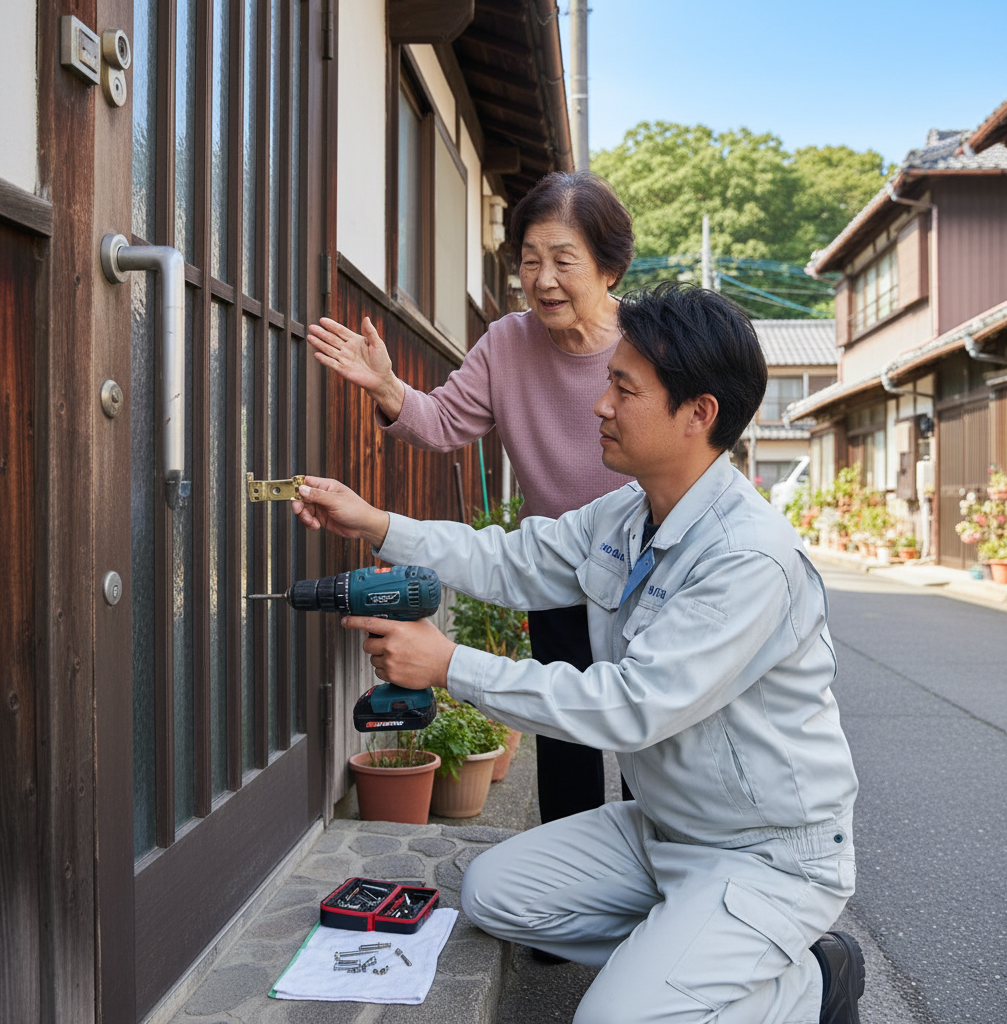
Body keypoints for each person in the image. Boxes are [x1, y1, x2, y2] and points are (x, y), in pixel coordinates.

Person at [292, 282, 864, 1024]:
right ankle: (687, 960)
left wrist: (450, 665)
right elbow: (511, 559)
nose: (600, 405)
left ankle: (814, 983)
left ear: (699, 414)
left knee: (608, 1019)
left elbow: (628, 709)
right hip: (663, 830)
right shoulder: (628, 510)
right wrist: (374, 521)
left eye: (624, 389)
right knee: (498, 895)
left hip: (766, 854)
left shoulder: (748, 559)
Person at [307, 171, 636, 825]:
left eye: (563, 260)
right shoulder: (509, 342)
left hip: (647, 571)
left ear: (609, 268)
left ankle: (662, 886)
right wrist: (388, 388)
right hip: (556, 568)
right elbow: (443, 421)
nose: (542, 280)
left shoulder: (652, 344)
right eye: (529, 261)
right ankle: (571, 886)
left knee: (649, 740)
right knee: (564, 737)